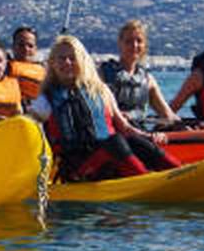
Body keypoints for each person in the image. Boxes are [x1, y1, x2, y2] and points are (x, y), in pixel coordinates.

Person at [29, 35, 180, 182]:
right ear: (53, 63)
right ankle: (147, 181)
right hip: (79, 170)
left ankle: (179, 172)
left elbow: (125, 127)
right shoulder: (45, 101)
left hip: (107, 161)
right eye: (61, 58)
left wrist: (149, 136)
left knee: (134, 140)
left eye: (72, 58)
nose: (67, 62)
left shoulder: (101, 91)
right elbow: (28, 133)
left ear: (82, 61)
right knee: (115, 142)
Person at [99, 19, 179, 128]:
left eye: (139, 41)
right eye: (129, 41)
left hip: (138, 132)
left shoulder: (147, 80)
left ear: (144, 45)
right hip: (112, 133)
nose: (134, 45)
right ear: (120, 44)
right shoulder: (103, 74)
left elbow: (166, 114)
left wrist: (185, 128)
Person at [8, 25, 46, 109]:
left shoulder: (45, 70)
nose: (26, 49)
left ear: (35, 49)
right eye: (21, 45)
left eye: (30, 46)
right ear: (13, 47)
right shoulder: (2, 69)